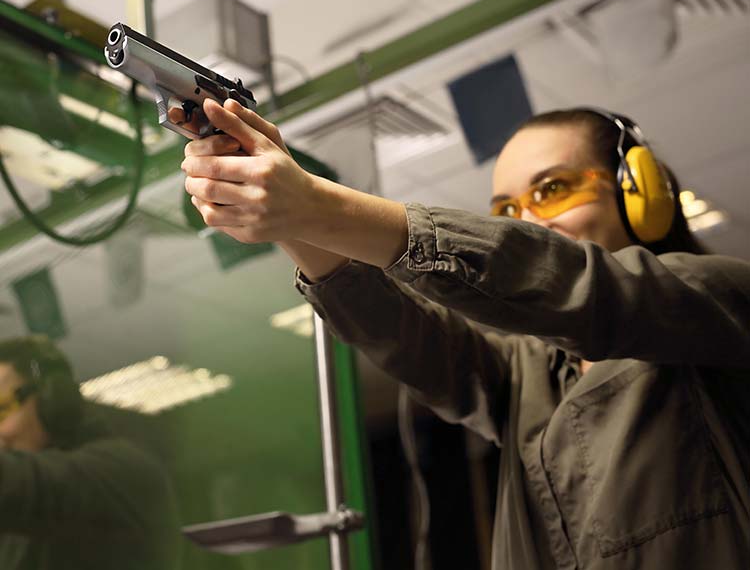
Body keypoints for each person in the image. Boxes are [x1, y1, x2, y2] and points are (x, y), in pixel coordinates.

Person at [179, 98, 750, 570]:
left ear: (639, 190)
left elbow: (571, 283)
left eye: (552, 189)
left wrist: (317, 202)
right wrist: (295, 220)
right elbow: (407, 336)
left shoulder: (720, 298)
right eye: (507, 207)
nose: (527, 221)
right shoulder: (528, 372)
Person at [0, 335, 182, 570]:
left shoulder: (122, 472)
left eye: (2, 409)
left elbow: (23, 484)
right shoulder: (25, 522)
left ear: (52, 400)